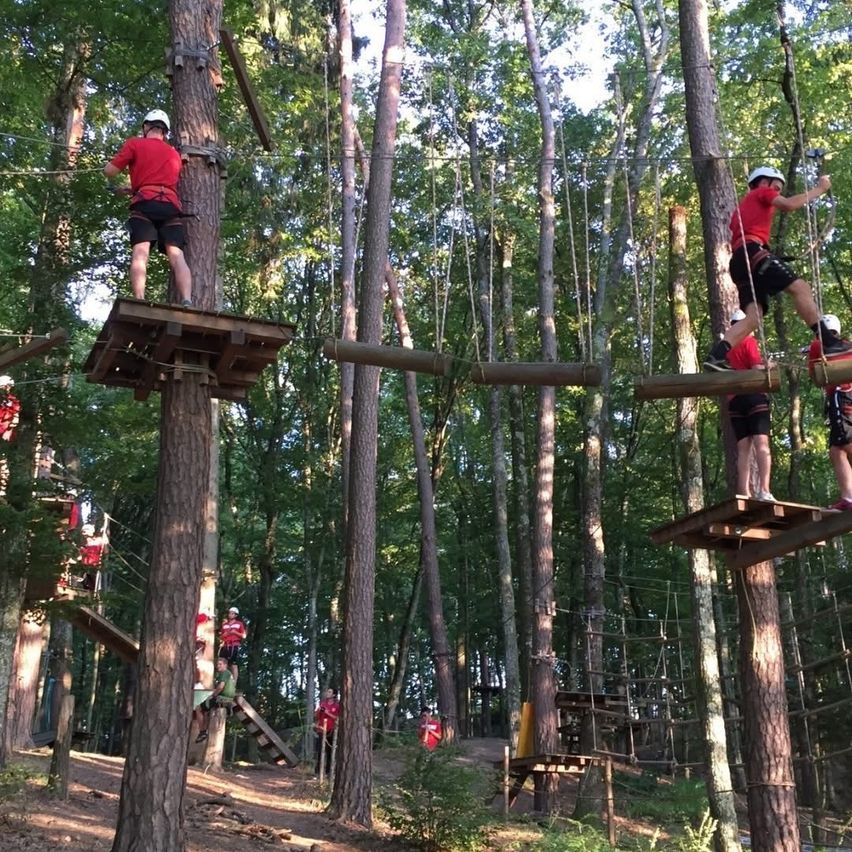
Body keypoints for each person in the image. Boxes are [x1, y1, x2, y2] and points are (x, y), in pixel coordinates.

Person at [705, 166, 852, 371]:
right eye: (776, 186)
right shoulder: (761, 192)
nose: (777, 192)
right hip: (751, 251)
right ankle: (829, 342)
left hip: (740, 259)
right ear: (763, 182)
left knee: (753, 318)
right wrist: (820, 189)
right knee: (800, 288)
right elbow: (789, 205)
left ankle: (716, 355)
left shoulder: (745, 207)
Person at [104, 109, 192, 306]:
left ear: (146, 127)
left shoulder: (135, 143)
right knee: (177, 255)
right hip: (169, 205)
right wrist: (133, 187)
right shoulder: (174, 154)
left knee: (140, 253)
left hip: (145, 204)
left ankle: (140, 300)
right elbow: (159, 179)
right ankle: (187, 299)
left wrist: (106, 168)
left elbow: (110, 171)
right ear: (165, 132)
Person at [726, 310, 774, 501]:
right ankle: (764, 490)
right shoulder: (748, 341)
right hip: (753, 396)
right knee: (761, 444)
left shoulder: (727, 347)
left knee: (743, 448)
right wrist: (768, 366)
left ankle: (743, 493)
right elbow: (755, 369)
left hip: (735, 401)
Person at [808, 314, 852, 510]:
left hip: (840, 397)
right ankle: (849, 496)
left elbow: (814, 375)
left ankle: (850, 496)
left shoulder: (818, 345)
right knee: (837, 450)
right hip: (848, 396)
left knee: (843, 445)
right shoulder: (847, 345)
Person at [194, 657, 236, 742]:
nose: (218, 666)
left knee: (198, 708)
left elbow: (220, 687)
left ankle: (202, 732)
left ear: (225, 665)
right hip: (229, 699)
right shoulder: (229, 674)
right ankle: (205, 730)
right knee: (205, 710)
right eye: (217, 664)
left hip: (221, 699)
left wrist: (213, 695)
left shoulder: (224, 673)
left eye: (220, 664)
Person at [314, 687, 340, 775]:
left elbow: (336, 718)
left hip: (331, 731)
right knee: (320, 751)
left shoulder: (337, 706)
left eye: (329, 692)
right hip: (321, 730)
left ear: (334, 695)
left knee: (329, 752)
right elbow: (317, 716)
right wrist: (317, 713)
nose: (327, 693)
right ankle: (317, 771)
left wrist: (327, 712)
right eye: (327, 692)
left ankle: (328, 772)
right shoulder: (323, 703)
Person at [218, 606, 247, 684]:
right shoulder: (225, 624)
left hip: (234, 645)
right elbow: (221, 636)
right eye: (229, 613)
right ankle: (223, 681)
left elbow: (244, 636)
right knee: (222, 662)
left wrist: (235, 632)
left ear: (235, 615)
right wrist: (225, 635)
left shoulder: (239, 624)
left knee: (233, 664)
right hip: (225, 645)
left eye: (232, 613)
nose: (230, 614)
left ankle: (234, 683)